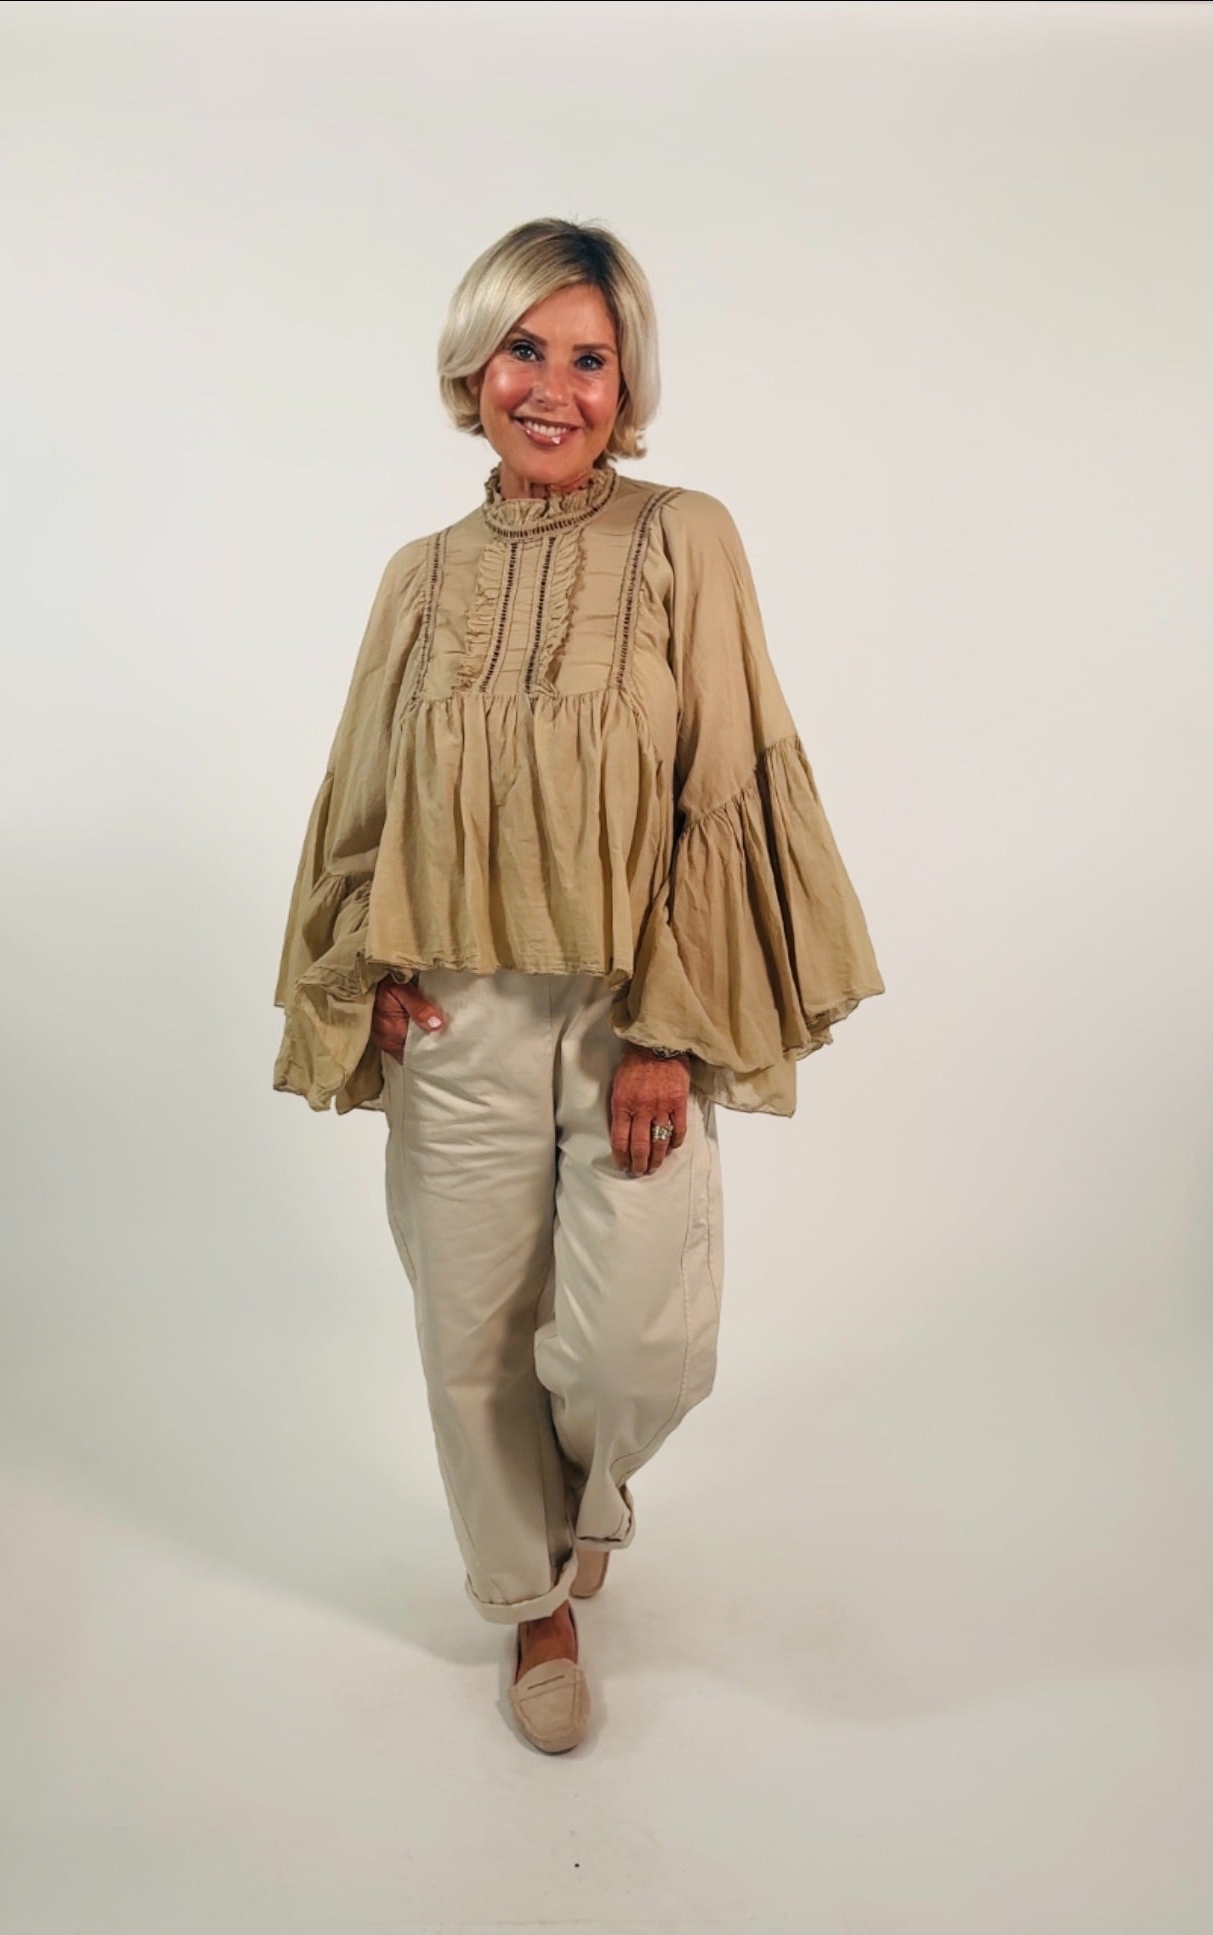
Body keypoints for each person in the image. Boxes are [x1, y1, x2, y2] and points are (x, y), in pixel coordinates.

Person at [272, 217, 884, 1753]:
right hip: (453, 1016)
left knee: (633, 1349)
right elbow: (365, 797)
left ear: (627, 383)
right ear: (471, 367)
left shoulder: (686, 540)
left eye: (588, 359)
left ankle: (583, 1501)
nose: (551, 387)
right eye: (522, 351)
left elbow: (720, 782)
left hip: (624, 1016)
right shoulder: (419, 579)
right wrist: (367, 967)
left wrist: (670, 1031)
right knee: (470, 1344)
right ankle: (534, 1601)